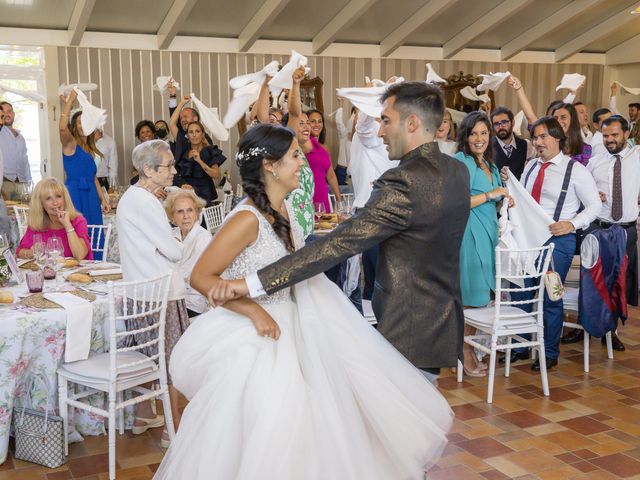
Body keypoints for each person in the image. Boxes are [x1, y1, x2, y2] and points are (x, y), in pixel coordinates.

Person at [154, 123, 452, 479]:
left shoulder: (286, 214)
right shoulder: (246, 220)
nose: (303, 163)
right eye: (295, 155)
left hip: (297, 328)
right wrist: (252, 310)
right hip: (261, 340)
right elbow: (202, 277)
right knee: (271, 432)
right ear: (270, 165)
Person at [210, 81, 470, 383]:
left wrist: (253, 283)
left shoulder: (403, 181)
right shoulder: (457, 171)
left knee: (403, 421)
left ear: (412, 123)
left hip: (407, 325)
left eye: (385, 121)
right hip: (442, 321)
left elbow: (338, 244)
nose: (381, 131)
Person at [505, 117, 600, 371]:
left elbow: (594, 206)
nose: (537, 142)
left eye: (543, 136)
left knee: (551, 294)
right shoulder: (531, 167)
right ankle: (521, 346)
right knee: (522, 293)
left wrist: (572, 224)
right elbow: (522, 199)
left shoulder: (575, 170)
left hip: (558, 241)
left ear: (558, 137)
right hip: (528, 238)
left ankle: (548, 351)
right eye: (535, 137)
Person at [117, 140, 189, 448]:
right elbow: (174, 251)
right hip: (162, 292)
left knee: (146, 357)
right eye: (168, 165)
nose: (174, 170)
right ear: (148, 170)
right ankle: (173, 430)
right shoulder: (145, 203)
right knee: (172, 362)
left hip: (140, 290)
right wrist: (175, 228)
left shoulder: (133, 197)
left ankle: (144, 414)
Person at [454, 112, 508, 377]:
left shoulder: (490, 164)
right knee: (471, 297)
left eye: (484, 133)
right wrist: (490, 194)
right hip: (469, 233)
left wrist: (504, 198)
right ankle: (464, 353)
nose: (479, 138)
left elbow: (494, 201)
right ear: (465, 136)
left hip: (489, 234)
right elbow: (455, 201)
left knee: (483, 295)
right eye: (474, 133)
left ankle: (468, 349)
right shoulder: (460, 161)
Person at [582, 115, 640, 351]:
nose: (610, 140)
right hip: (599, 228)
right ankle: (584, 328)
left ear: (626, 134)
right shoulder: (595, 162)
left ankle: (612, 331)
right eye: (605, 136)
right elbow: (582, 192)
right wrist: (593, 193)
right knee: (593, 280)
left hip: (626, 231)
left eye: (615, 135)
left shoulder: (637, 158)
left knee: (620, 283)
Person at [59, 90, 110, 226]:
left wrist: (103, 198)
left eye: (85, 121)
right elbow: (63, 129)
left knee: (94, 229)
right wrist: (70, 101)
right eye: (79, 122)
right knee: (78, 231)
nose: (82, 125)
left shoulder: (89, 149)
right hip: (74, 194)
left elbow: (92, 177)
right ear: (75, 126)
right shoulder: (71, 144)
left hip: (91, 195)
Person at [17, 178, 93, 260]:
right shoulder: (37, 224)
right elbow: (20, 251)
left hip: (77, 272)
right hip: (49, 271)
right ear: (41, 203)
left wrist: (67, 225)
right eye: (48, 198)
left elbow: (79, 255)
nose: (55, 202)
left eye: (58, 196)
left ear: (65, 199)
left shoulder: (78, 221)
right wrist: (30, 253)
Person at [165, 188, 212, 318]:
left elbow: (189, 274)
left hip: (192, 301)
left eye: (190, 210)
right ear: (172, 216)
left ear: (196, 213)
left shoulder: (203, 237)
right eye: (180, 212)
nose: (186, 216)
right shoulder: (171, 234)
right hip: (170, 296)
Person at [169, 103, 226, 205]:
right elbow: (172, 124)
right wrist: (181, 102)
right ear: (187, 135)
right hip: (186, 194)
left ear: (202, 134)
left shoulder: (209, 150)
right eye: (191, 132)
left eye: (197, 131)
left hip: (204, 196)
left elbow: (217, 175)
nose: (194, 135)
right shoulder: (183, 147)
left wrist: (200, 161)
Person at [490, 106, 536, 180]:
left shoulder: (527, 145)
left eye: (504, 122)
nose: (501, 126)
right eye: (496, 124)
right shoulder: (487, 146)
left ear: (513, 122)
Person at [0, 101, 31, 200]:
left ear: (13, 114)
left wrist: (29, 182)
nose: (6, 114)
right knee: (6, 214)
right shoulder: (1, 131)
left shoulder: (20, 137)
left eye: (9, 111)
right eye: (2, 113)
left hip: (22, 184)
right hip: (4, 183)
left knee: (23, 213)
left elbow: (25, 161)